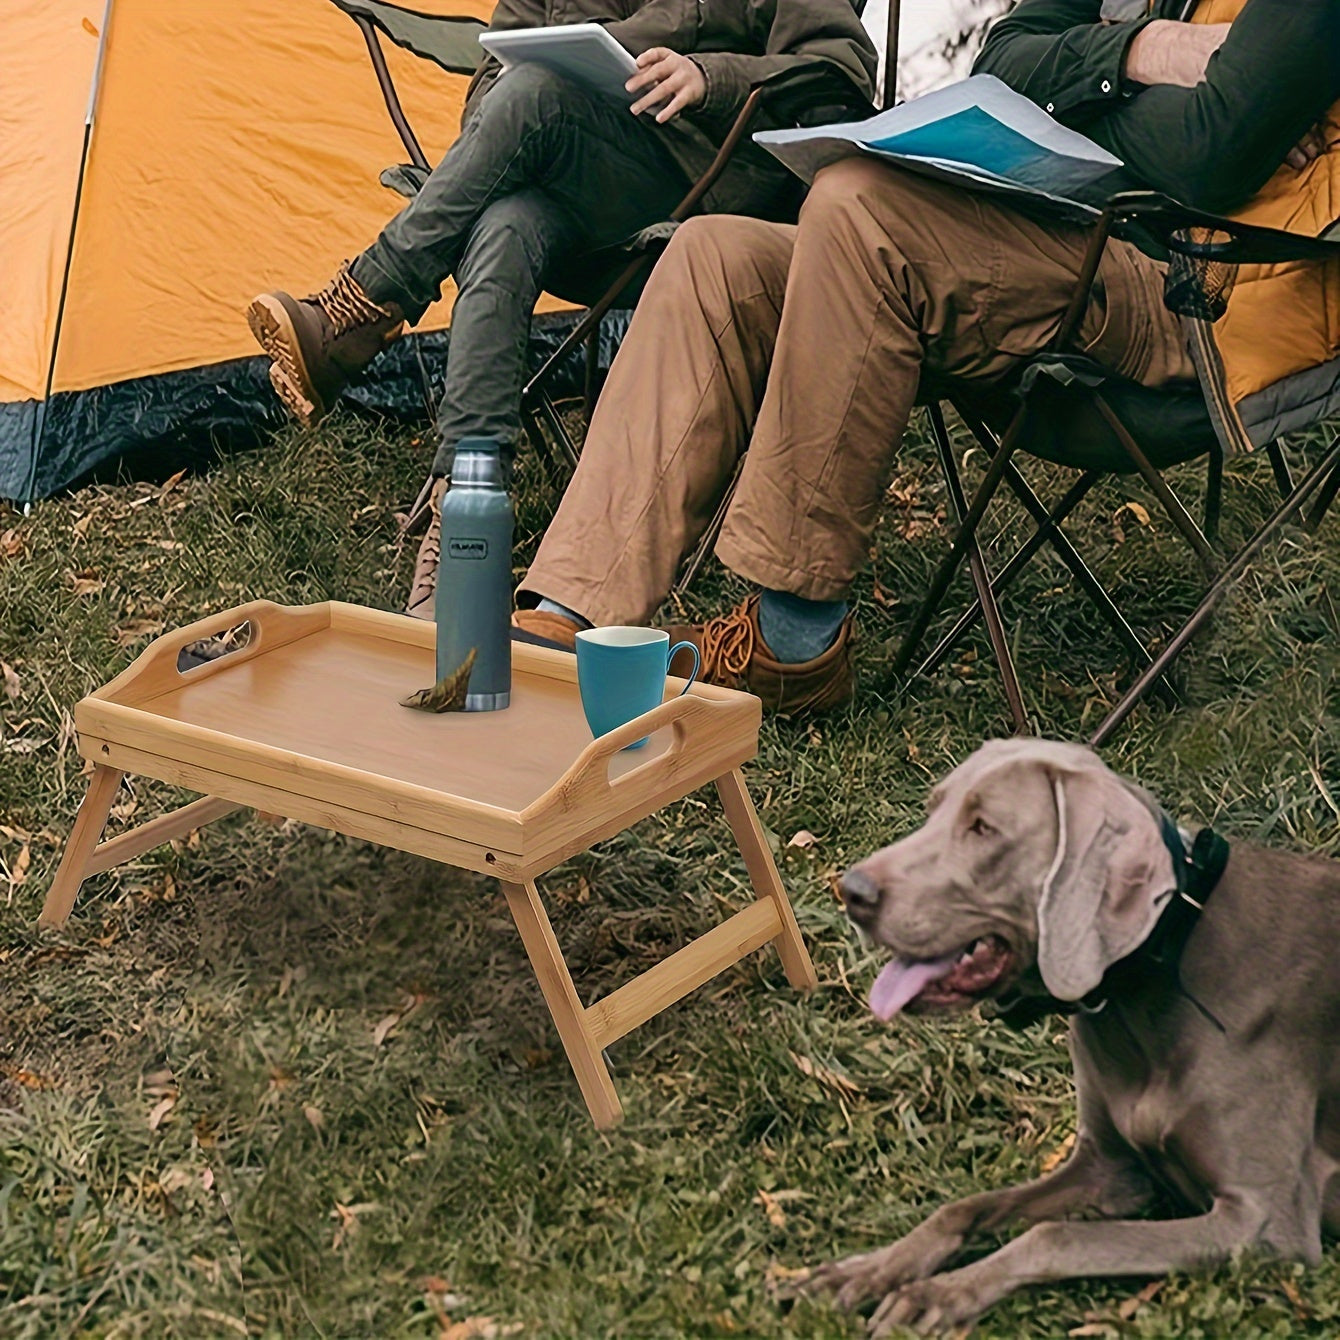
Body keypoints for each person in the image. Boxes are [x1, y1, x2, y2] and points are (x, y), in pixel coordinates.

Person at [510, 0, 1340, 714]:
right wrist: (1143, 51)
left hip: (1197, 287)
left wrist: (1085, 95)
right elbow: (1005, 65)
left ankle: (795, 644)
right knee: (715, 254)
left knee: (859, 205)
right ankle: (575, 607)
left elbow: (1207, 151)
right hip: (1044, 241)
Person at [245, 0, 875, 616]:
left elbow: (838, 73)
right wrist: (500, 127)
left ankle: (353, 311)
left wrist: (711, 78)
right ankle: (470, 513)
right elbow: (495, 69)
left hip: (704, 179)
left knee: (535, 95)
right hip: (566, 161)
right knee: (503, 224)